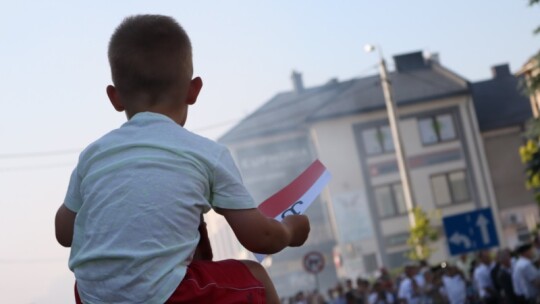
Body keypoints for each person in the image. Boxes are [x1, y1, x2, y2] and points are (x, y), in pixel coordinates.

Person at [54, 14, 310, 304]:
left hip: (92, 297)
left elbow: (64, 233)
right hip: (166, 294)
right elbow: (261, 237)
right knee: (255, 275)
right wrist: (291, 230)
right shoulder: (206, 154)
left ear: (115, 97)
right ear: (194, 89)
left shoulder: (94, 155)